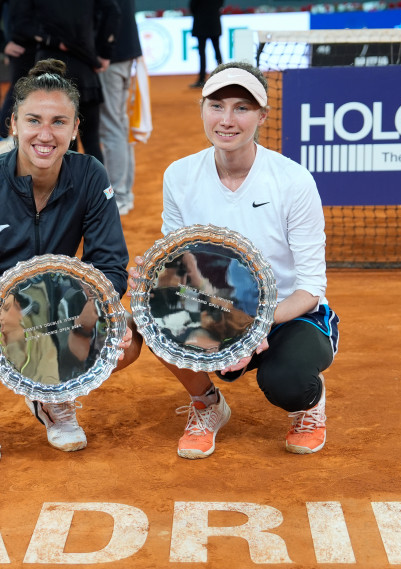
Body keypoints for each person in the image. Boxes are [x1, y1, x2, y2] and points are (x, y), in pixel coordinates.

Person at [0, 59, 142, 467]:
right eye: (33, 121)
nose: (46, 134)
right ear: (13, 125)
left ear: (76, 128)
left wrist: (99, 311)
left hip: (51, 305)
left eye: (59, 121)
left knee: (125, 341)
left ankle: (50, 394)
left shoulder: (91, 176)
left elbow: (109, 264)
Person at [130, 61, 339, 459]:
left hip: (289, 313)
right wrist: (154, 280)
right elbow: (178, 258)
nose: (227, 120)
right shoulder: (179, 175)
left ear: (262, 115)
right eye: (217, 105)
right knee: (151, 315)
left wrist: (251, 327)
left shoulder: (293, 181)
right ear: (203, 109)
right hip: (218, 306)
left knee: (286, 381)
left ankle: (308, 407)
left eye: (242, 108)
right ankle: (208, 405)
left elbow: (311, 287)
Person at [9, 0, 121, 165]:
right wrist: (104, 50)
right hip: (84, 66)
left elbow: (19, 26)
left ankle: (67, 190)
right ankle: (98, 190)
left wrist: (50, 40)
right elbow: (113, 12)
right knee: (89, 141)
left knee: (63, 143)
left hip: (52, 67)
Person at [98, 0, 143, 216]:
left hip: (111, 57)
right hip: (125, 54)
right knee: (119, 124)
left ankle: (119, 195)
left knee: (112, 126)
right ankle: (125, 194)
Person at [189, 0, 224, 88]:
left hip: (201, 23)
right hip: (214, 23)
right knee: (217, 51)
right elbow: (220, 3)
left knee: (202, 54)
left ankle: (201, 79)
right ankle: (223, 76)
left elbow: (192, 6)